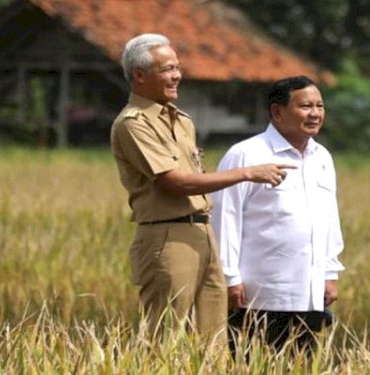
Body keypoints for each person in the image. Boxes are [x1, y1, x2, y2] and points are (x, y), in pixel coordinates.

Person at [110, 33, 294, 344]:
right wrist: (247, 172)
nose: (177, 75)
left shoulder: (183, 121)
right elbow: (176, 182)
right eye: (167, 69)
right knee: (164, 339)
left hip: (204, 233)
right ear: (139, 76)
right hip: (168, 237)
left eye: (177, 67)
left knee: (213, 340)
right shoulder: (133, 124)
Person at [211, 75, 345, 353]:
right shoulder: (246, 155)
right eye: (306, 106)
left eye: (320, 106)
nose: (315, 114)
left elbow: (329, 220)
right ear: (277, 112)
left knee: (302, 363)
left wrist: (329, 272)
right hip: (258, 292)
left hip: (309, 293)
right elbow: (225, 218)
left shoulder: (322, 157)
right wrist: (229, 278)